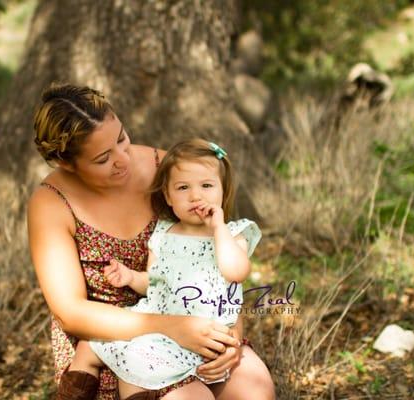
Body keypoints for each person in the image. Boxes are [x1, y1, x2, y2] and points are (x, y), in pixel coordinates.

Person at [27, 83, 274, 400]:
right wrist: (171, 327)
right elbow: (71, 312)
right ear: (67, 163)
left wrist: (230, 333)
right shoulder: (52, 204)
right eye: (103, 158)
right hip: (111, 340)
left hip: (194, 318)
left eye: (121, 138)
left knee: (255, 389)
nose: (123, 159)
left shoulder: (165, 169)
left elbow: (216, 258)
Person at [67, 138, 266, 400]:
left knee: (259, 388)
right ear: (169, 197)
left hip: (211, 335)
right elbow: (156, 283)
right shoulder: (163, 233)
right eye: (183, 188)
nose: (196, 196)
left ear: (222, 191)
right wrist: (130, 277)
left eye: (207, 186)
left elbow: (236, 272)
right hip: (166, 330)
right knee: (95, 346)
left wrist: (218, 228)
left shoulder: (232, 234)